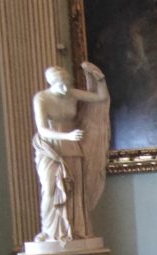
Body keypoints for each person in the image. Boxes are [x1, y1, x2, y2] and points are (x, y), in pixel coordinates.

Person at [32, 62, 110, 244]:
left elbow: (101, 97)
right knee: (50, 189)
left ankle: (76, 230)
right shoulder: (41, 98)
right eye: (60, 84)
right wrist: (66, 136)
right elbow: (42, 130)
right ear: (51, 83)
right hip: (50, 148)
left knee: (75, 190)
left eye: (67, 83)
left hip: (72, 147)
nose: (65, 88)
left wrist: (100, 78)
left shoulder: (71, 93)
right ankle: (49, 231)